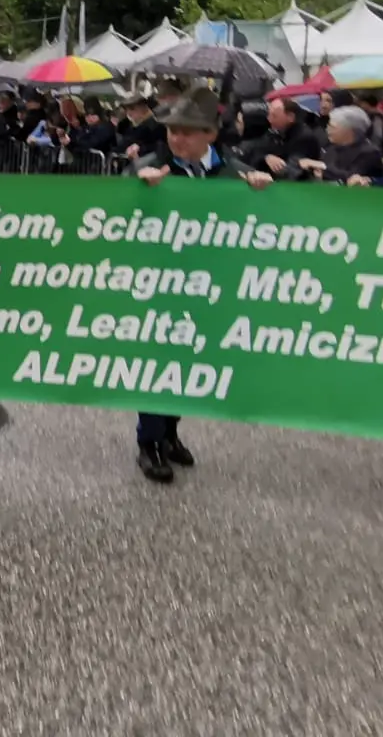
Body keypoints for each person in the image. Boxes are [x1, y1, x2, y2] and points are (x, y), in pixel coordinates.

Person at [129, 86, 272, 483]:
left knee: (186, 361)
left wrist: (262, 189)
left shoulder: (234, 172)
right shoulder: (151, 168)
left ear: (211, 134)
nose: (177, 138)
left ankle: (170, 431)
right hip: (159, 285)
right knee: (156, 362)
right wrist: (139, 190)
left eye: (187, 131)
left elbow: (269, 216)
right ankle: (149, 442)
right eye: (173, 130)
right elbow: (119, 210)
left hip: (210, 287)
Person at [300, 104, 383, 184]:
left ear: (349, 131)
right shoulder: (330, 148)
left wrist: (323, 167)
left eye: (332, 127)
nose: (327, 129)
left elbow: (352, 178)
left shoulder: (370, 153)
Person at [249, 97, 322, 178]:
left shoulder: (304, 138)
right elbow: (257, 151)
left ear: (290, 117)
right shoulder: (274, 132)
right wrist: (267, 157)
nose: (269, 120)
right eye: (269, 114)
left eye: (274, 116)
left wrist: (276, 165)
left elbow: (293, 171)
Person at [119, 92, 166, 163]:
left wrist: (140, 149)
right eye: (126, 109)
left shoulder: (155, 125)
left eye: (132, 108)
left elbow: (159, 147)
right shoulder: (132, 125)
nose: (128, 112)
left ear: (143, 106)